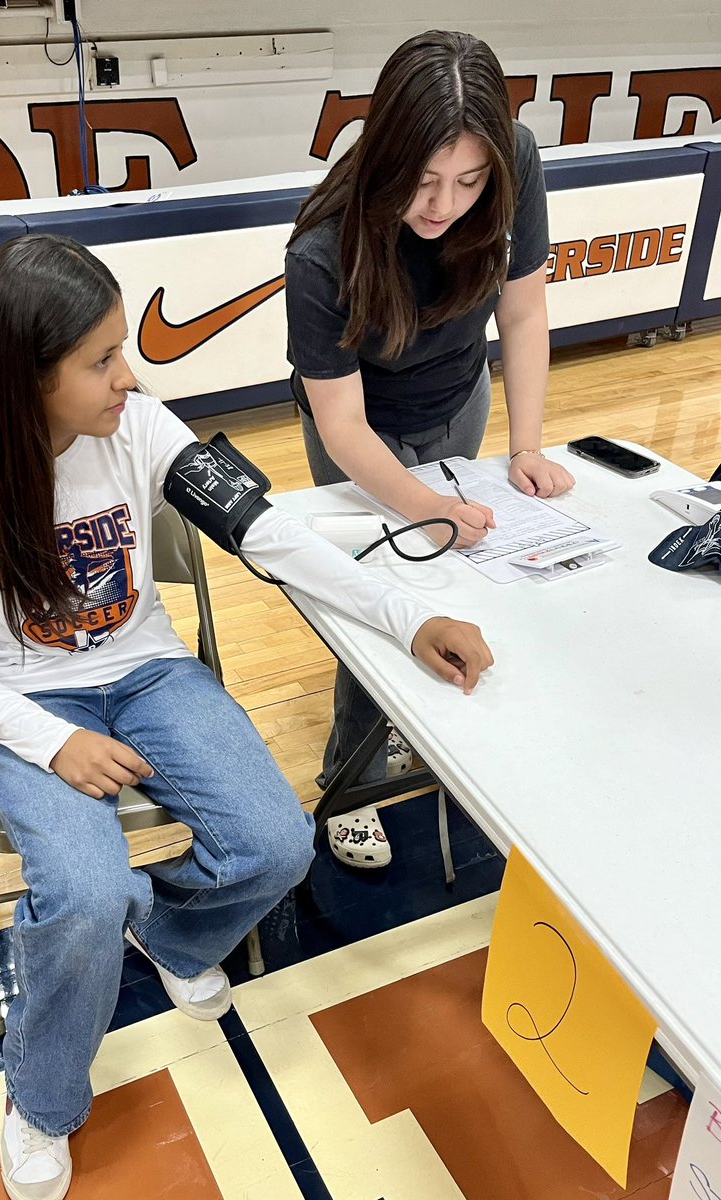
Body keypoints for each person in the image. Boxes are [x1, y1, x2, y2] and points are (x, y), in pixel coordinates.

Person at [0, 232, 493, 1200]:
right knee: (80, 891)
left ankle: (165, 933)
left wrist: (406, 616)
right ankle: (40, 1101)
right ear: (23, 376)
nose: (128, 376)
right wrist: (55, 741)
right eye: (100, 359)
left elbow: (272, 537)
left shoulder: (138, 427)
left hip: (146, 672)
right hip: (23, 702)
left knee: (276, 844)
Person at [285, 29, 575, 864]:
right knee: (371, 596)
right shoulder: (322, 249)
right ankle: (351, 776)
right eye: (422, 180)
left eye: (468, 182)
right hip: (360, 430)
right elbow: (340, 426)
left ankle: (432, 727)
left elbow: (520, 313)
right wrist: (429, 506)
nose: (443, 203)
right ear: (387, 156)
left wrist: (526, 446)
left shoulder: (514, 156)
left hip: (458, 397)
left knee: (458, 577)